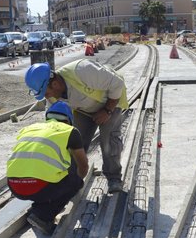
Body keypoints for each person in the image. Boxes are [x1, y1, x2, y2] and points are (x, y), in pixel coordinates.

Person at [25, 59, 128, 194]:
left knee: (108, 141)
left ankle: (114, 178)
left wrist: (107, 110)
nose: (46, 97)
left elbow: (117, 84)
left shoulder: (83, 71)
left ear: (55, 84)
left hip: (111, 102)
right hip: (84, 110)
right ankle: (72, 181)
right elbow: (53, 123)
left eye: (46, 93)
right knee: (75, 141)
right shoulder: (52, 97)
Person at [7, 101, 89, 235]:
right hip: (39, 188)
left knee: (47, 179)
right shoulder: (70, 131)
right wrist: (77, 183)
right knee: (75, 181)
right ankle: (42, 216)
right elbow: (83, 165)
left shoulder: (29, 128)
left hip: (14, 187)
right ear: (69, 120)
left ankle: (40, 204)